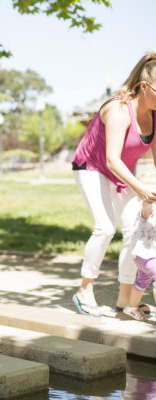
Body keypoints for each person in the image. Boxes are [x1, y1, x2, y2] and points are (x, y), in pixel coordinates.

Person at [71, 53, 156, 317]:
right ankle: (84, 289)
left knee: (134, 230)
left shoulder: (155, 115)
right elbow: (112, 160)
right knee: (105, 227)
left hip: (119, 173)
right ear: (145, 87)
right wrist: (141, 189)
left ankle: (125, 301)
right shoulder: (119, 109)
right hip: (91, 167)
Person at [125, 174, 156, 321]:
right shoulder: (146, 206)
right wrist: (147, 200)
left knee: (142, 281)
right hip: (147, 255)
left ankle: (131, 307)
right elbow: (146, 210)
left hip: (142, 255)